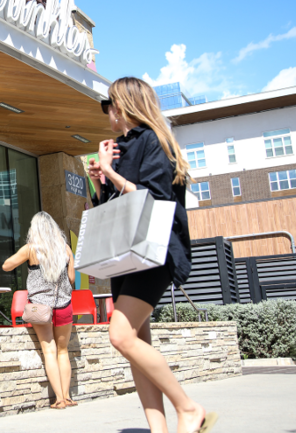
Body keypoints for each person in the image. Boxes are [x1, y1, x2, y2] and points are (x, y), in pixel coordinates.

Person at [88, 77, 217, 433]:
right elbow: (115, 208)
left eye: (110, 105)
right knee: (136, 345)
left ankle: (188, 408)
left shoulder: (154, 142)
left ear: (124, 105)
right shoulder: (122, 147)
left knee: (121, 337)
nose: (108, 113)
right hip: (127, 254)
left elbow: (154, 201)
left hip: (155, 251)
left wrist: (112, 172)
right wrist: (102, 180)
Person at [2, 212, 76, 409]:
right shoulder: (65, 249)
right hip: (64, 304)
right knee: (63, 350)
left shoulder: (31, 249)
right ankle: (68, 396)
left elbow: (6, 266)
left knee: (48, 350)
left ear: (34, 230)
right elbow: (71, 279)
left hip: (40, 306)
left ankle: (59, 399)